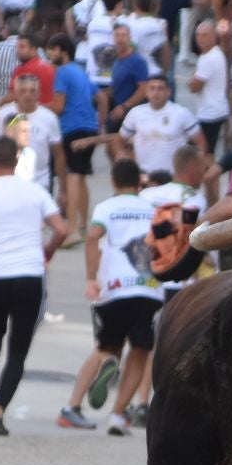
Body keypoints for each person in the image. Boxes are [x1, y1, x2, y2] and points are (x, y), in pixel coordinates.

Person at [0, 137, 70, 434]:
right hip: (30, 275)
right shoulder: (35, 192)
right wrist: (47, 253)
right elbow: (62, 229)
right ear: (17, 161)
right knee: (18, 350)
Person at [59, 158, 158, 436]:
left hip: (115, 288)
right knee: (140, 351)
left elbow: (93, 237)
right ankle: (117, 415)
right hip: (149, 288)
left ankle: (72, 407)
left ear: (113, 181)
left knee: (105, 348)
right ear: (139, 182)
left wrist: (91, 278)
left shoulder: (107, 207)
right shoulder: (152, 210)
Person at [47, 33, 98, 240]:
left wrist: (37, 109)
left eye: (53, 49)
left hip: (72, 128)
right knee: (81, 176)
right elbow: (100, 97)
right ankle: (84, 226)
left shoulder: (63, 73)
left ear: (63, 51)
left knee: (72, 177)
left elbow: (58, 106)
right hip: (90, 127)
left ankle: (73, 229)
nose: (50, 53)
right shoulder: (81, 71)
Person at [118, 75, 201, 179]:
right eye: (152, 88)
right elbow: (120, 140)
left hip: (173, 176)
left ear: (168, 92)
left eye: (160, 88)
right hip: (144, 175)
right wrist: (121, 154)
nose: (155, 93)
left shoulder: (182, 113)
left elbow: (201, 143)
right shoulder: (136, 113)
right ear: (146, 92)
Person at [0, 73, 61, 192]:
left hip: (40, 183)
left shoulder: (49, 118)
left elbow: (58, 154)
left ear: (39, 93)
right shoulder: (4, 115)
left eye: (32, 91)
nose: (28, 95)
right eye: (23, 91)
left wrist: (64, 189)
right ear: (15, 94)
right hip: (10, 183)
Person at [186, 19, 231, 154]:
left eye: (204, 35)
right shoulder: (209, 55)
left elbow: (194, 86)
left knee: (204, 151)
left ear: (214, 36)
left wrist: (191, 80)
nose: (200, 39)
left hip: (210, 113)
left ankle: (210, 174)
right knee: (206, 149)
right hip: (213, 110)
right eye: (198, 35)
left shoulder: (210, 58)